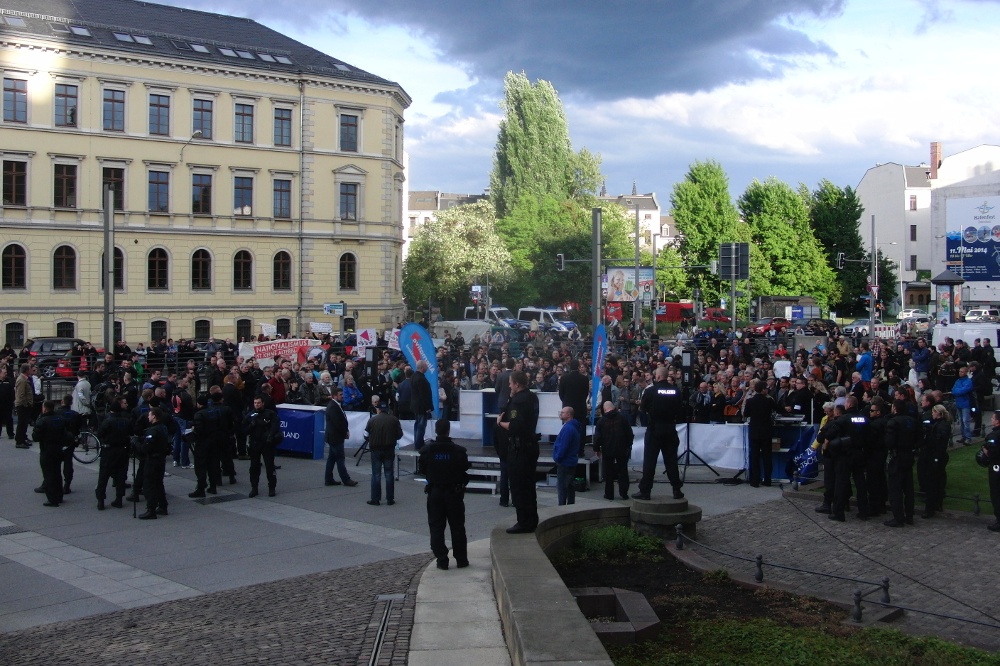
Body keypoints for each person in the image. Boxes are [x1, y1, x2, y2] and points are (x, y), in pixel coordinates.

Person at [419, 419, 470, 570]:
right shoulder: (459, 451)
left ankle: (442, 559)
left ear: (436, 430)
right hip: (454, 493)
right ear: (449, 430)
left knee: (436, 527)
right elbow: (464, 469)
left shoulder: (427, 450)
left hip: (435, 493)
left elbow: (423, 469)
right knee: (457, 527)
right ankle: (461, 559)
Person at [633, 366, 685, 501]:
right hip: (670, 428)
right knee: (671, 461)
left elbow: (642, 409)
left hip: (654, 429)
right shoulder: (675, 391)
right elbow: (680, 410)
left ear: (657, 377)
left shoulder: (651, 391)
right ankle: (676, 489)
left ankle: (645, 491)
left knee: (650, 462)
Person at [498, 370, 540, 533]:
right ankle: (531, 519)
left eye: (510, 383)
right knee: (529, 486)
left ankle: (523, 522)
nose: (509, 385)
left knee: (518, 486)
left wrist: (500, 423)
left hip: (519, 449)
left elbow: (515, 426)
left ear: (517, 384)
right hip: (530, 446)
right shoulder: (532, 397)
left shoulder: (519, 401)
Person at [883, 399, 917, 528]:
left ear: (895, 408)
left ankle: (898, 517)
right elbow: (919, 437)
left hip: (897, 456)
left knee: (895, 488)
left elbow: (889, 442)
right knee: (908, 488)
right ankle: (909, 516)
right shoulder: (912, 421)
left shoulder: (893, 422)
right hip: (909, 455)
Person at [95, 397, 132, 510]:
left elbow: (100, 433)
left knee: (104, 476)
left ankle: (101, 500)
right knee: (120, 476)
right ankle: (119, 498)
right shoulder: (126, 421)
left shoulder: (108, 421)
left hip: (109, 450)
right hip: (122, 450)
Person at [364, 401, 403, 506]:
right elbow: (400, 434)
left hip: (376, 449)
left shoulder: (372, 420)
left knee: (376, 474)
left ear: (379, 409)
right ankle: (390, 498)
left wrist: (371, 439)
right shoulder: (394, 420)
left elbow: (365, 435)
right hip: (389, 448)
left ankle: (375, 499)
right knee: (389, 473)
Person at [593, 401, 633, 500]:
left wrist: (596, 449)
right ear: (614, 407)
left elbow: (597, 437)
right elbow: (629, 433)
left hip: (608, 449)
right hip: (622, 449)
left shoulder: (601, 421)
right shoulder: (622, 418)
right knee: (623, 471)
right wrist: (628, 445)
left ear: (604, 409)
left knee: (608, 472)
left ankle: (609, 494)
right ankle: (624, 493)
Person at [32, 400, 68, 507]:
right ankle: (59, 495)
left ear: (45, 408)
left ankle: (52, 499)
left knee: (48, 475)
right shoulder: (60, 419)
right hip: (58, 448)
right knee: (57, 473)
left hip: (47, 449)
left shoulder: (42, 420)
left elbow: (35, 437)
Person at [244, 396, 281, 498]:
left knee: (269, 466)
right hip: (255, 444)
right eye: (255, 403)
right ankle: (254, 487)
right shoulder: (251, 415)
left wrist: (270, 436)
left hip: (267, 444)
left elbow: (275, 427)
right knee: (254, 467)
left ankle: (272, 487)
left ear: (263, 403)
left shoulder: (270, 414)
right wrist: (251, 426)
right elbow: (244, 430)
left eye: (258, 403)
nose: (257, 405)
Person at [138, 407, 171, 520]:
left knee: (150, 485)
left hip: (153, 460)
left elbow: (146, 448)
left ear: (154, 417)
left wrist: (137, 444)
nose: (148, 417)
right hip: (160, 459)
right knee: (158, 483)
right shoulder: (163, 428)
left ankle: (151, 509)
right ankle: (162, 506)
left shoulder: (153, 430)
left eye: (150, 415)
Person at [919, 403, 951, 519]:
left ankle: (930, 508)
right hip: (937, 455)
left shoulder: (942, 426)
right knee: (938, 480)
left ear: (938, 413)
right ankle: (937, 504)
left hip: (935, 456)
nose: (932, 414)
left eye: (933, 412)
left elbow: (938, 442)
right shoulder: (941, 425)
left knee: (932, 481)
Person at [743, 380, 777, 487]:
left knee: (755, 456)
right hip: (766, 431)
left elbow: (746, 413)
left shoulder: (750, 401)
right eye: (766, 388)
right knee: (767, 456)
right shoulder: (769, 401)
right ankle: (767, 479)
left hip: (754, 431)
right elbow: (778, 409)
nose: (767, 390)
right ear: (762, 390)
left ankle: (755, 480)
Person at [324, 387, 358, 487]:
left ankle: (328, 479)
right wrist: (345, 432)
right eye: (340, 395)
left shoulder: (335, 405)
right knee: (340, 458)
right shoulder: (333, 406)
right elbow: (338, 423)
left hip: (334, 436)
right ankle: (346, 479)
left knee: (332, 458)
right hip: (335, 437)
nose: (342, 396)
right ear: (334, 396)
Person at [553, 405, 583, 505]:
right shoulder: (573, 427)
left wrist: (557, 458)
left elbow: (563, 446)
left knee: (562, 487)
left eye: (562, 412)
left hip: (565, 462)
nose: (560, 414)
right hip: (571, 461)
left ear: (568, 415)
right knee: (570, 486)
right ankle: (570, 506)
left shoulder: (568, 429)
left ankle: (562, 507)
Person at [981, 411, 1000, 532]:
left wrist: (985, 450)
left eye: (993, 418)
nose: (991, 420)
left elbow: (991, 453)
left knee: (996, 494)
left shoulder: (994, 435)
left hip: (996, 467)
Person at [411, 360, 433, 450]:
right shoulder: (421, 379)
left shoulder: (414, 376)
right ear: (422, 367)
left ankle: (417, 441)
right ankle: (419, 443)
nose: (427, 367)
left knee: (417, 424)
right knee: (421, 425)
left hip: (416, 405)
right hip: (421, 406)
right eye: (426, 366)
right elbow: (424, 394)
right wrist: (428, 407)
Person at [14, 363, 33, 448]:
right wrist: (26, 404)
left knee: (24, 423)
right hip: (22, 405)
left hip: (25, 405)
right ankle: (19, 441)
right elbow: (21, 394)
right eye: (29, 369)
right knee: (21, 423)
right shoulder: (21, 380)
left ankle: (22, 439)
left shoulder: (25, 379)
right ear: (26, 370)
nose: (30, 370)